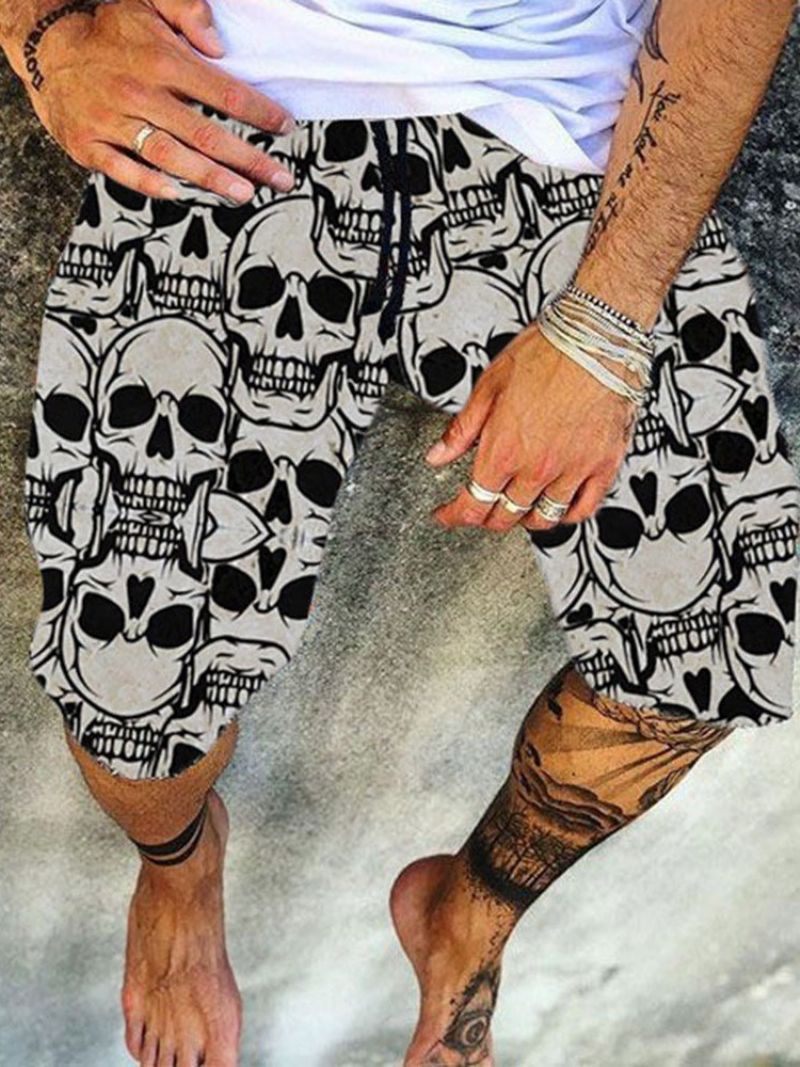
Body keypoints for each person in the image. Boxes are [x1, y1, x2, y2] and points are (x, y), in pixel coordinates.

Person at [2, 0, 799, 1063]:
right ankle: (178, 863)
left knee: (723, 649)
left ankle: (467, 907)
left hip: (563, 125)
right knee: (127, 711)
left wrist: (604, 324)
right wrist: (42, 31)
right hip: (226, 97)